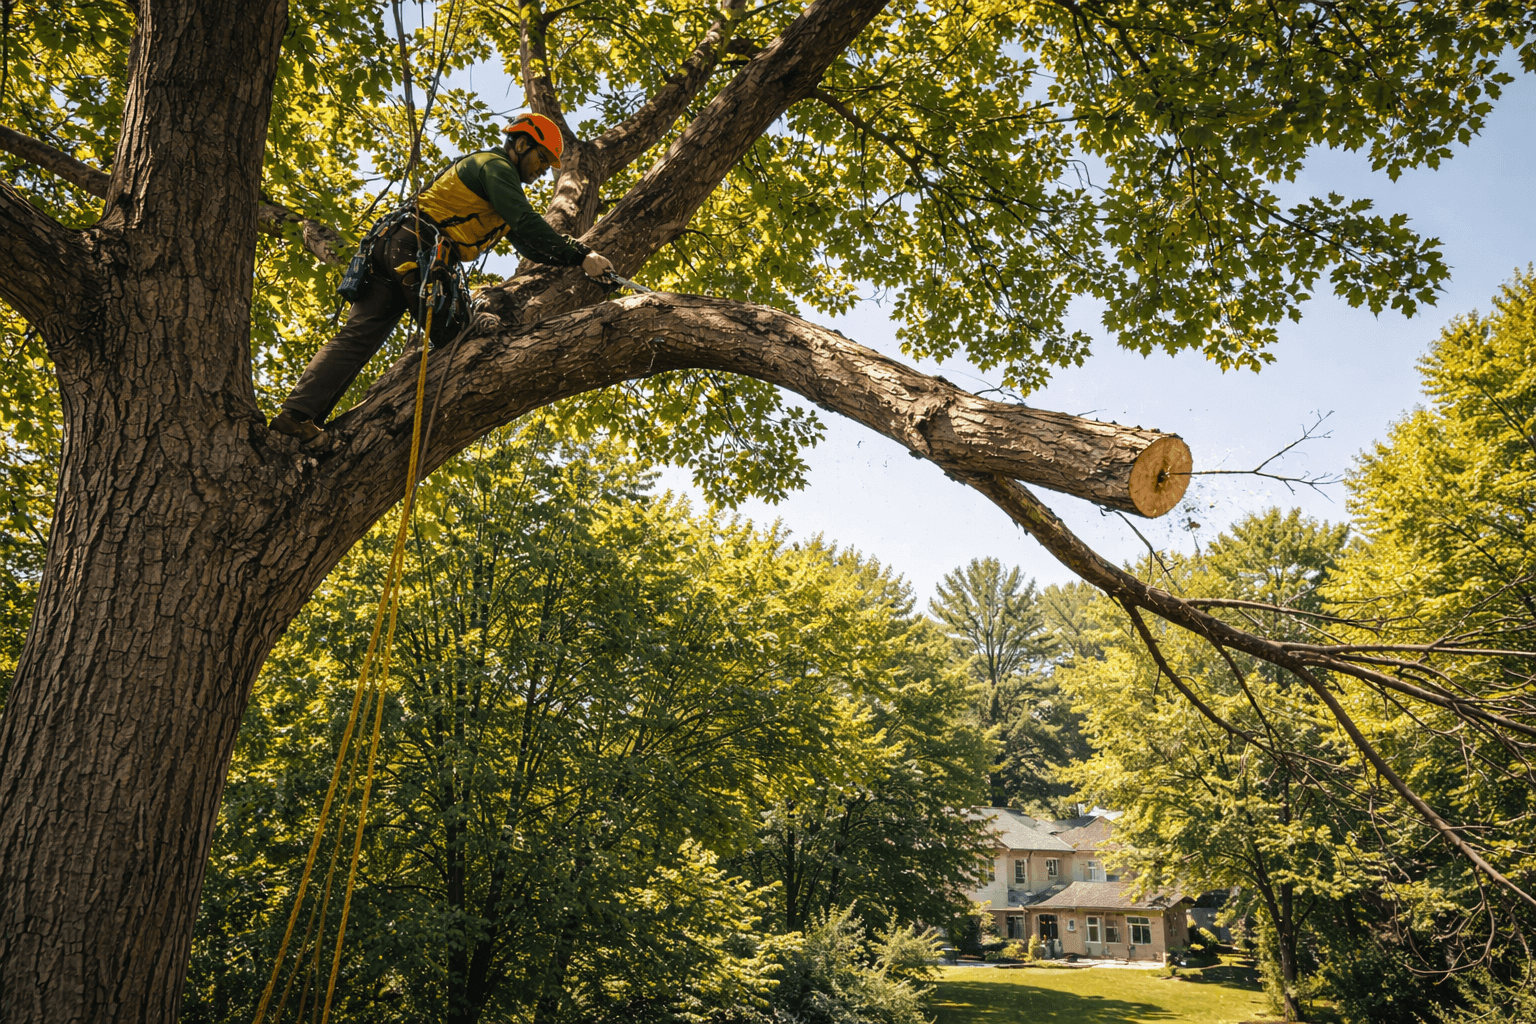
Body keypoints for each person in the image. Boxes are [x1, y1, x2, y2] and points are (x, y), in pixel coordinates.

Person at [269, 112, 614, 441]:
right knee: (465, 340)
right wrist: (582, 254)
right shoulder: (495, 167)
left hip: (393, 246)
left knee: (357, 338)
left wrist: (577, 260)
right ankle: (380, 424)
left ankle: (297, 417)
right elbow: (526, 221)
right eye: (542, 159)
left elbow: (530, 244)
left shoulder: (494, 185)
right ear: (522, 145)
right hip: (416, 249)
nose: (543, 171)